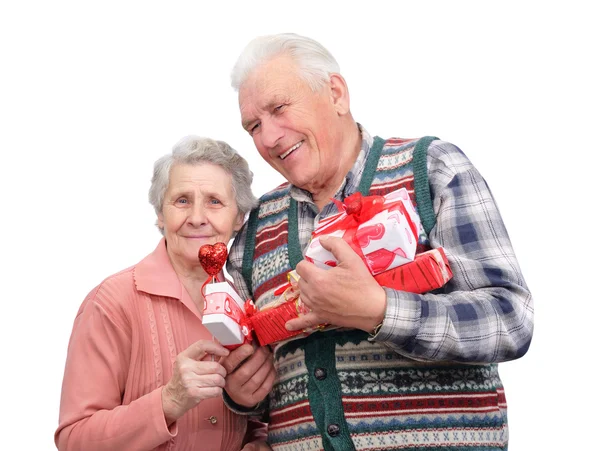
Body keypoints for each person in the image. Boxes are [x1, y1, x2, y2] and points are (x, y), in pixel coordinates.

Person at [223, 33, 534, 451]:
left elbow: (511, 319)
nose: (269, 138)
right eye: (254, 126)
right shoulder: (254, 228)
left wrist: (380, 311)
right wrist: (242, 396)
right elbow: (261, 397)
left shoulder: (432, 169)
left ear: (335, 93)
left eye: (279, 108)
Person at [55, 136, 273, 451]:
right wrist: (170, 400)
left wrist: (258, 441)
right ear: (160, 214)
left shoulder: (251, 301)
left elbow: (256, 416)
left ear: (239, 217)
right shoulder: (112, 302)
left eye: (214, 201)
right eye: (182, 200)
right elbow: (74, 440)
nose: (197, 217)